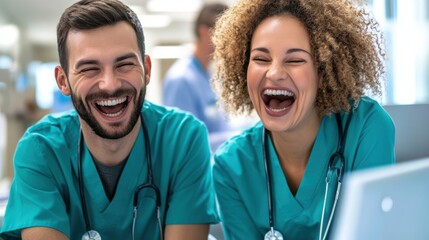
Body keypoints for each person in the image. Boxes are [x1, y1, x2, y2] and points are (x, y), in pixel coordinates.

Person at [0, 0, 219, 239]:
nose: (110, 84)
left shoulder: (183, 139)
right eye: (89, 69)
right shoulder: (42, 150)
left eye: (124, 65)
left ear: (146, 69)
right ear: (63, 81)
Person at [211, 0, 396, 239]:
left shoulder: (365, 128)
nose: (275, 73)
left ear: (323, 72)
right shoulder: (232, 167)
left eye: (295, 60)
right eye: (261, 59)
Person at [162, 3, 231, 151]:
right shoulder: (181, 79)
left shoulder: (208, 75)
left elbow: (218, 126)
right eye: (225, 35)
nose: (229, 43)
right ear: (205, 32)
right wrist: (235, 140)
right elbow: (184, 142)